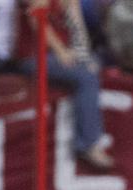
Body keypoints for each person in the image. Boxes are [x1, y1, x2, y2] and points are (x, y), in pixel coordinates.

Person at [17, 0, 113, 169]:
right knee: (86, 77)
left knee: (94, 65)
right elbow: (37, 21)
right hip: (34, 55)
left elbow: (77, 26)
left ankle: (91, 136)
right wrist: (61, 51)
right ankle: (88, 143)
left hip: (59, 53)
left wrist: (85, 56)